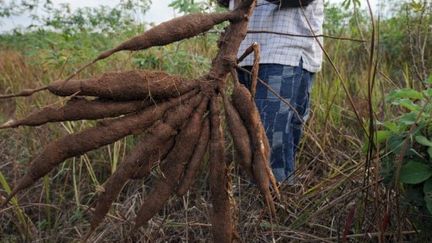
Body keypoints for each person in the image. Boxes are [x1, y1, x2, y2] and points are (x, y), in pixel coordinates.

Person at [220, 0, 324, 184]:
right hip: (243, 52)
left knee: (270, 140)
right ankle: (259, 198)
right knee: (250, 140)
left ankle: (274, 202)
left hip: (283, 51)